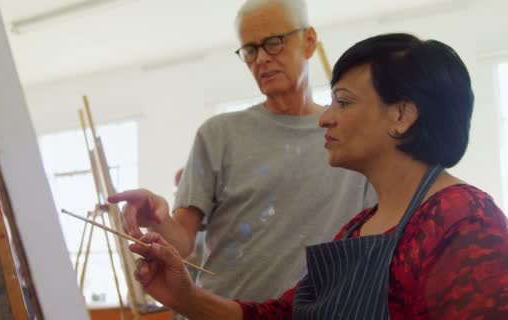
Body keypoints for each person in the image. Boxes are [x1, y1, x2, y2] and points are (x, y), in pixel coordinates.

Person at [121, 33, 508, 319]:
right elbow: (284, 315)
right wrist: (187, 297)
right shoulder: (357, 230)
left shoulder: (464, 219)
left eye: (344, 102)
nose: (325, 117)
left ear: (402, 116)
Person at [108, 0, 375, 302]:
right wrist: (157, 220)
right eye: (250, 50)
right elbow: (181, 242)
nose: (261, 59)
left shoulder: (348, 137)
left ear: (309, 41)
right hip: (223, 310)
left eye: (274, 43)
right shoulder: (218, 135)